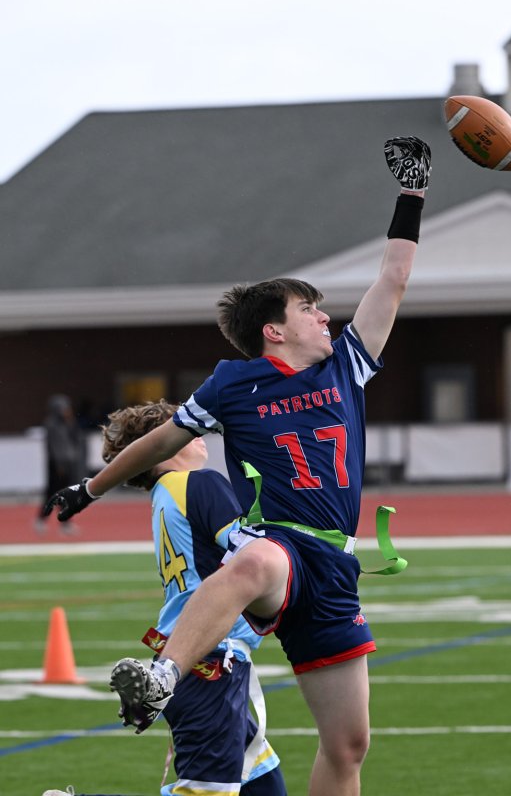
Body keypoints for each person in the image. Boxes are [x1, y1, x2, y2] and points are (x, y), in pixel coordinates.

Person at [44, 135, 431, 796]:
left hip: (334, 564)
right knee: (251, 561)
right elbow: (162, 442)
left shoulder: (347, 365)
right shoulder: (233, 383)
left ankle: (177, 670)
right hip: (281, 548)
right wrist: (91, 486)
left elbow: (393, 275)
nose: (324, 315)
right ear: (273, 331)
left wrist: (413, 192)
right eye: (309, 308)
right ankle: (165, 672)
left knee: (349, 744)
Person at [104, 400, 285, 796]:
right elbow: (250, 557)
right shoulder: (199, 483)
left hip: (189, 654)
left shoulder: (165, 495)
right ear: (160, 447)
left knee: (265, 786)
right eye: (181, 428)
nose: (195, 432)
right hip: (209, 659)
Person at [35, 394, 85, 535]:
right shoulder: (52, 425)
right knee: (52, 494)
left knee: (63, 495)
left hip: (67, 465)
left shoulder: (68, 424)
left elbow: (76, 440)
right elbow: (55, 447)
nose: (68, 411)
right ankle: (42, 520)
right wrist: (60, 465)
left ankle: (64, 522)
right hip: (57, 466)